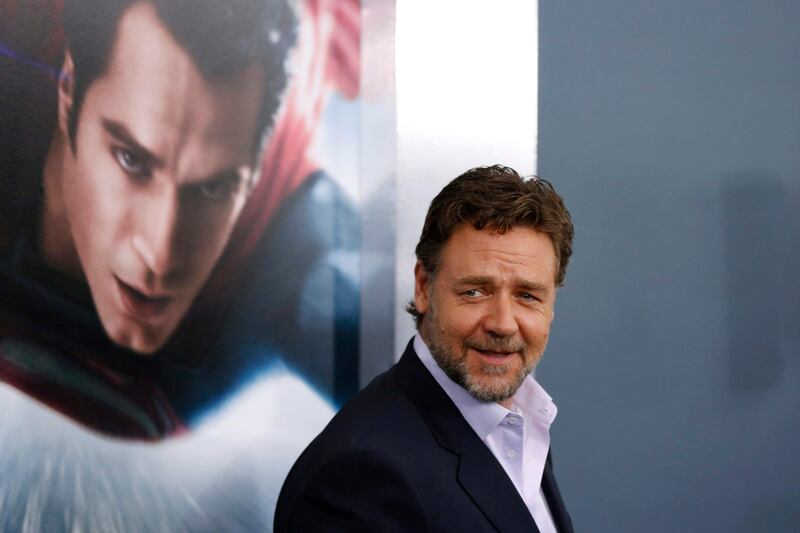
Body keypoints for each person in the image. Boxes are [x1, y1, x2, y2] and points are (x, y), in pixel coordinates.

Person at [0, 0, 360, 439]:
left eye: (211, 188)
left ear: (254, 170)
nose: (161, 253)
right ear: (68, 89)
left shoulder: (305, 258)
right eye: (132, 160)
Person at [275, 164, 575, 532]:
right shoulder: (358, 477)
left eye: (527, 296)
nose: (502, 323)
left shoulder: (521, 426)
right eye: (474, 291)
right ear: (423, 287)